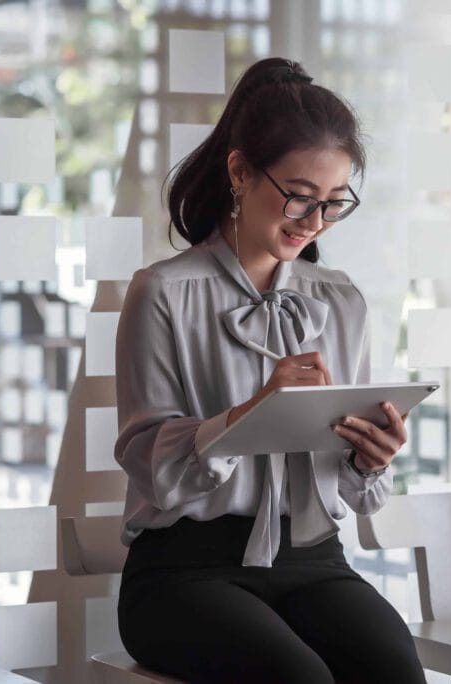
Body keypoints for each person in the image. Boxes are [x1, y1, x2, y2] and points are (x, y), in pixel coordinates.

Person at [114, 57, 427, 684]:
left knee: (396, 672)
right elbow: (147, 457)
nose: (313, 224)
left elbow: (348, 488)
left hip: (314, 561)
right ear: (239, 171)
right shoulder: (164, 292)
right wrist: (250, 414)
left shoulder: (339, 299)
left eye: (335, 204)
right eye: (299, 197)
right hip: (182, 573)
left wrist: (371, 459)